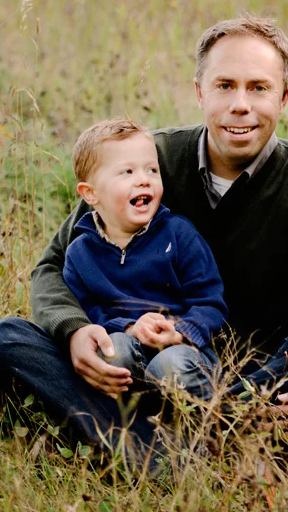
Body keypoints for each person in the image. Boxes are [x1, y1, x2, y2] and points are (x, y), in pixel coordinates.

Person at [0, 15, 288, 464]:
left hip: (254, 379)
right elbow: (53, 265)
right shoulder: (149, 164)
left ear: (284, 97)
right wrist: (73, 330)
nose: (240, 105)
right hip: (139, 363)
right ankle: (194, 447)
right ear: (200, 91)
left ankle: (157, 440)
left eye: (258, 88)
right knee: (5, 339)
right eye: (225, 85)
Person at [61, 118, 227, 401]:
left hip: (183, 349)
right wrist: (129, 328)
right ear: (90, 193)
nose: (143, 179)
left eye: (152, 170)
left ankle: (190, 413)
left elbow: (211, 303)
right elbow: (89, 312)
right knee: (113, 351)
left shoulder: (178, 234)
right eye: (127, 172)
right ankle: (133, 412)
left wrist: (179, 332)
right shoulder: (80, 254)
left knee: (169, 365)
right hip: (127, 345)